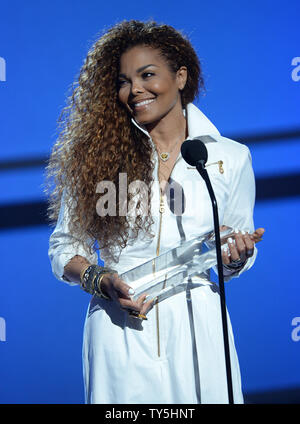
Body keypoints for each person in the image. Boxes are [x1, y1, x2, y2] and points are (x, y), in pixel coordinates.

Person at [46, 20, 264, 404]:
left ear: (181, 76)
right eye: (124, 81)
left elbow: (233, 252)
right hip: (120, 325)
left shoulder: (230, 157)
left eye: (148, 75)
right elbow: (65, 248)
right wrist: (102, 280)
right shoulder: (93, 160)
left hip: (199, 325)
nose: (135, 90)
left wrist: (236, 255)